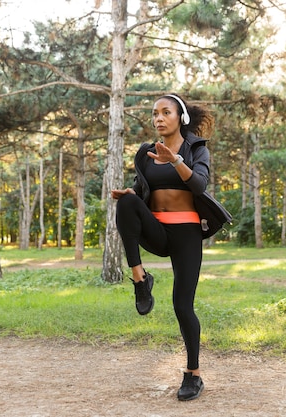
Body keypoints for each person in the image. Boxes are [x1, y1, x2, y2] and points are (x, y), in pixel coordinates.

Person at [111, 93, 214, 401]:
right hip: (157, 229)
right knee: (127, 202)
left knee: (183, 306)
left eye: (165, 112)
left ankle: (193, 374)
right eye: (154, 113)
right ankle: (140, 278)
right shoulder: (145, 153)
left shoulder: (197, 149)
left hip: (186, 234)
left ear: (180, 117)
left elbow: (200, 184)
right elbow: (142, 189)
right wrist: (130, 193)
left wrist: (176, 160)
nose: (158, 118)